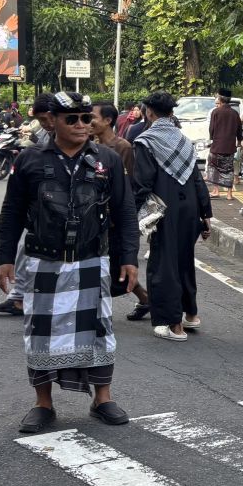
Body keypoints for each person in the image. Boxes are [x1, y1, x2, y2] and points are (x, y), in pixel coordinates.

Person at [0, 91, 139, 434]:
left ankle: (102, 398)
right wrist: (3, 259)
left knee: (99, 332)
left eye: (86, 118)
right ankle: (43, 404)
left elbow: (125, 210)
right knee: (41, 334)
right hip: (43, 262)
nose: (80, 125)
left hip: (91, 260)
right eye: (71, 119)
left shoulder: (108, 160)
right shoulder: (29, 160)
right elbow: (12, 212)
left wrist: (129, 257)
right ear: (52, 121)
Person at [132, 92, 212, 342]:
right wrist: (206, 214)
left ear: (149, 113)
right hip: (190, 209)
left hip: (163, 210)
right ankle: (191, 313)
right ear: (171, 112)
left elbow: (142, 184)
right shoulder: (185, 141)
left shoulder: (145, 141)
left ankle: (173, 324)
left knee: (163, 263)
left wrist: (132, 215)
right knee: (184, 259)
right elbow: (198, 179)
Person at [0, 94, 56, 316]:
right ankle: (18, 297)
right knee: (28, 249)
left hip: (80, 230)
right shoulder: (34, 151)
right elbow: (12, 208)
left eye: (48, 118)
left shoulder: (97, 153)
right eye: (42, 120)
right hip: (42, 219)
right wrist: (3, 258)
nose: (48, 124)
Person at [90, 102, 153, 321]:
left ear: (107, 120)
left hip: (116, 217)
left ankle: (144, 299)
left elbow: (129, 185)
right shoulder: (90, 147)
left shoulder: (123, 147)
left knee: (117, 263)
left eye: (92, 117)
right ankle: (146, 299)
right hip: (95, 216)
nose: (88, 123)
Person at [206, 89, 242, 199]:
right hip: (230, 147)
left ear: (220, 99)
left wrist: (212, 138)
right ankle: (229, 194)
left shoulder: (215, 112)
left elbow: (211, 129)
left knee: (214, 167)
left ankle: (216, 191)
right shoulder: (235, 113)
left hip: (217, 145)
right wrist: (239, 142)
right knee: (229, 169)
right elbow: (239, 130)